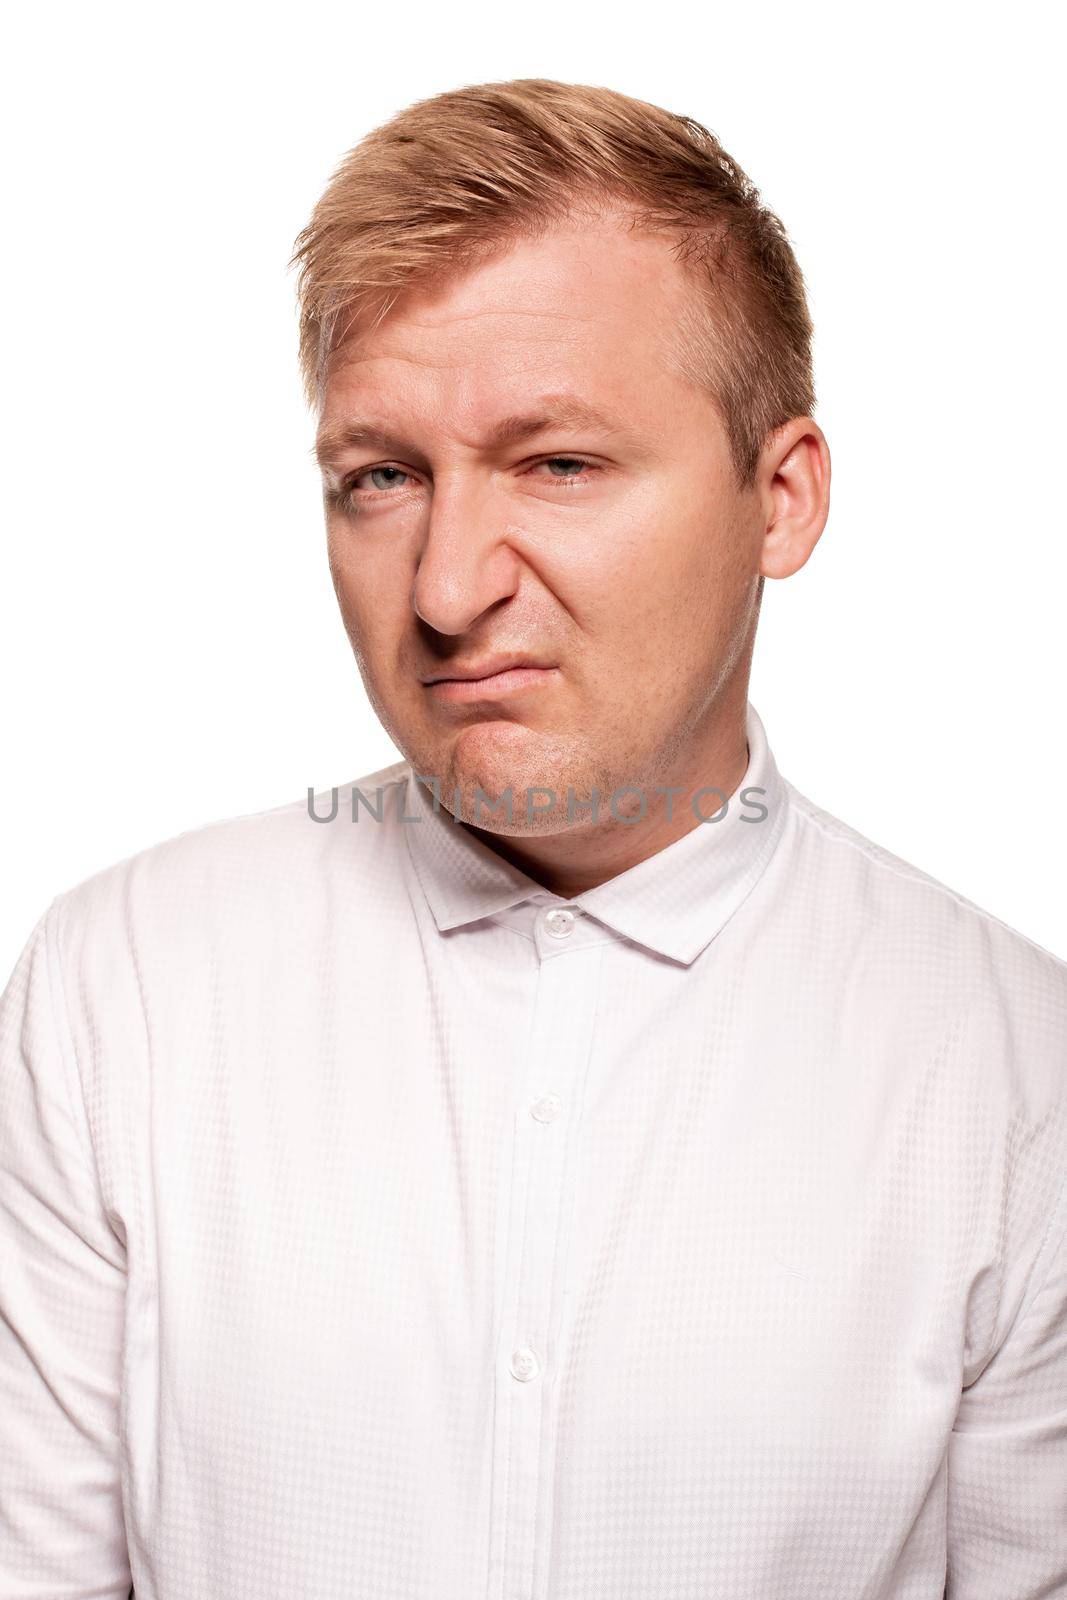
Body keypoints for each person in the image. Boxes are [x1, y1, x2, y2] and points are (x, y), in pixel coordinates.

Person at [1, 77, 1064, 1600]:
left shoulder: (1018, 1074)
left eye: (558, 463)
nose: (443, 588)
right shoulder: (120, 990)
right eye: (382, 477)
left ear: (781, 499)